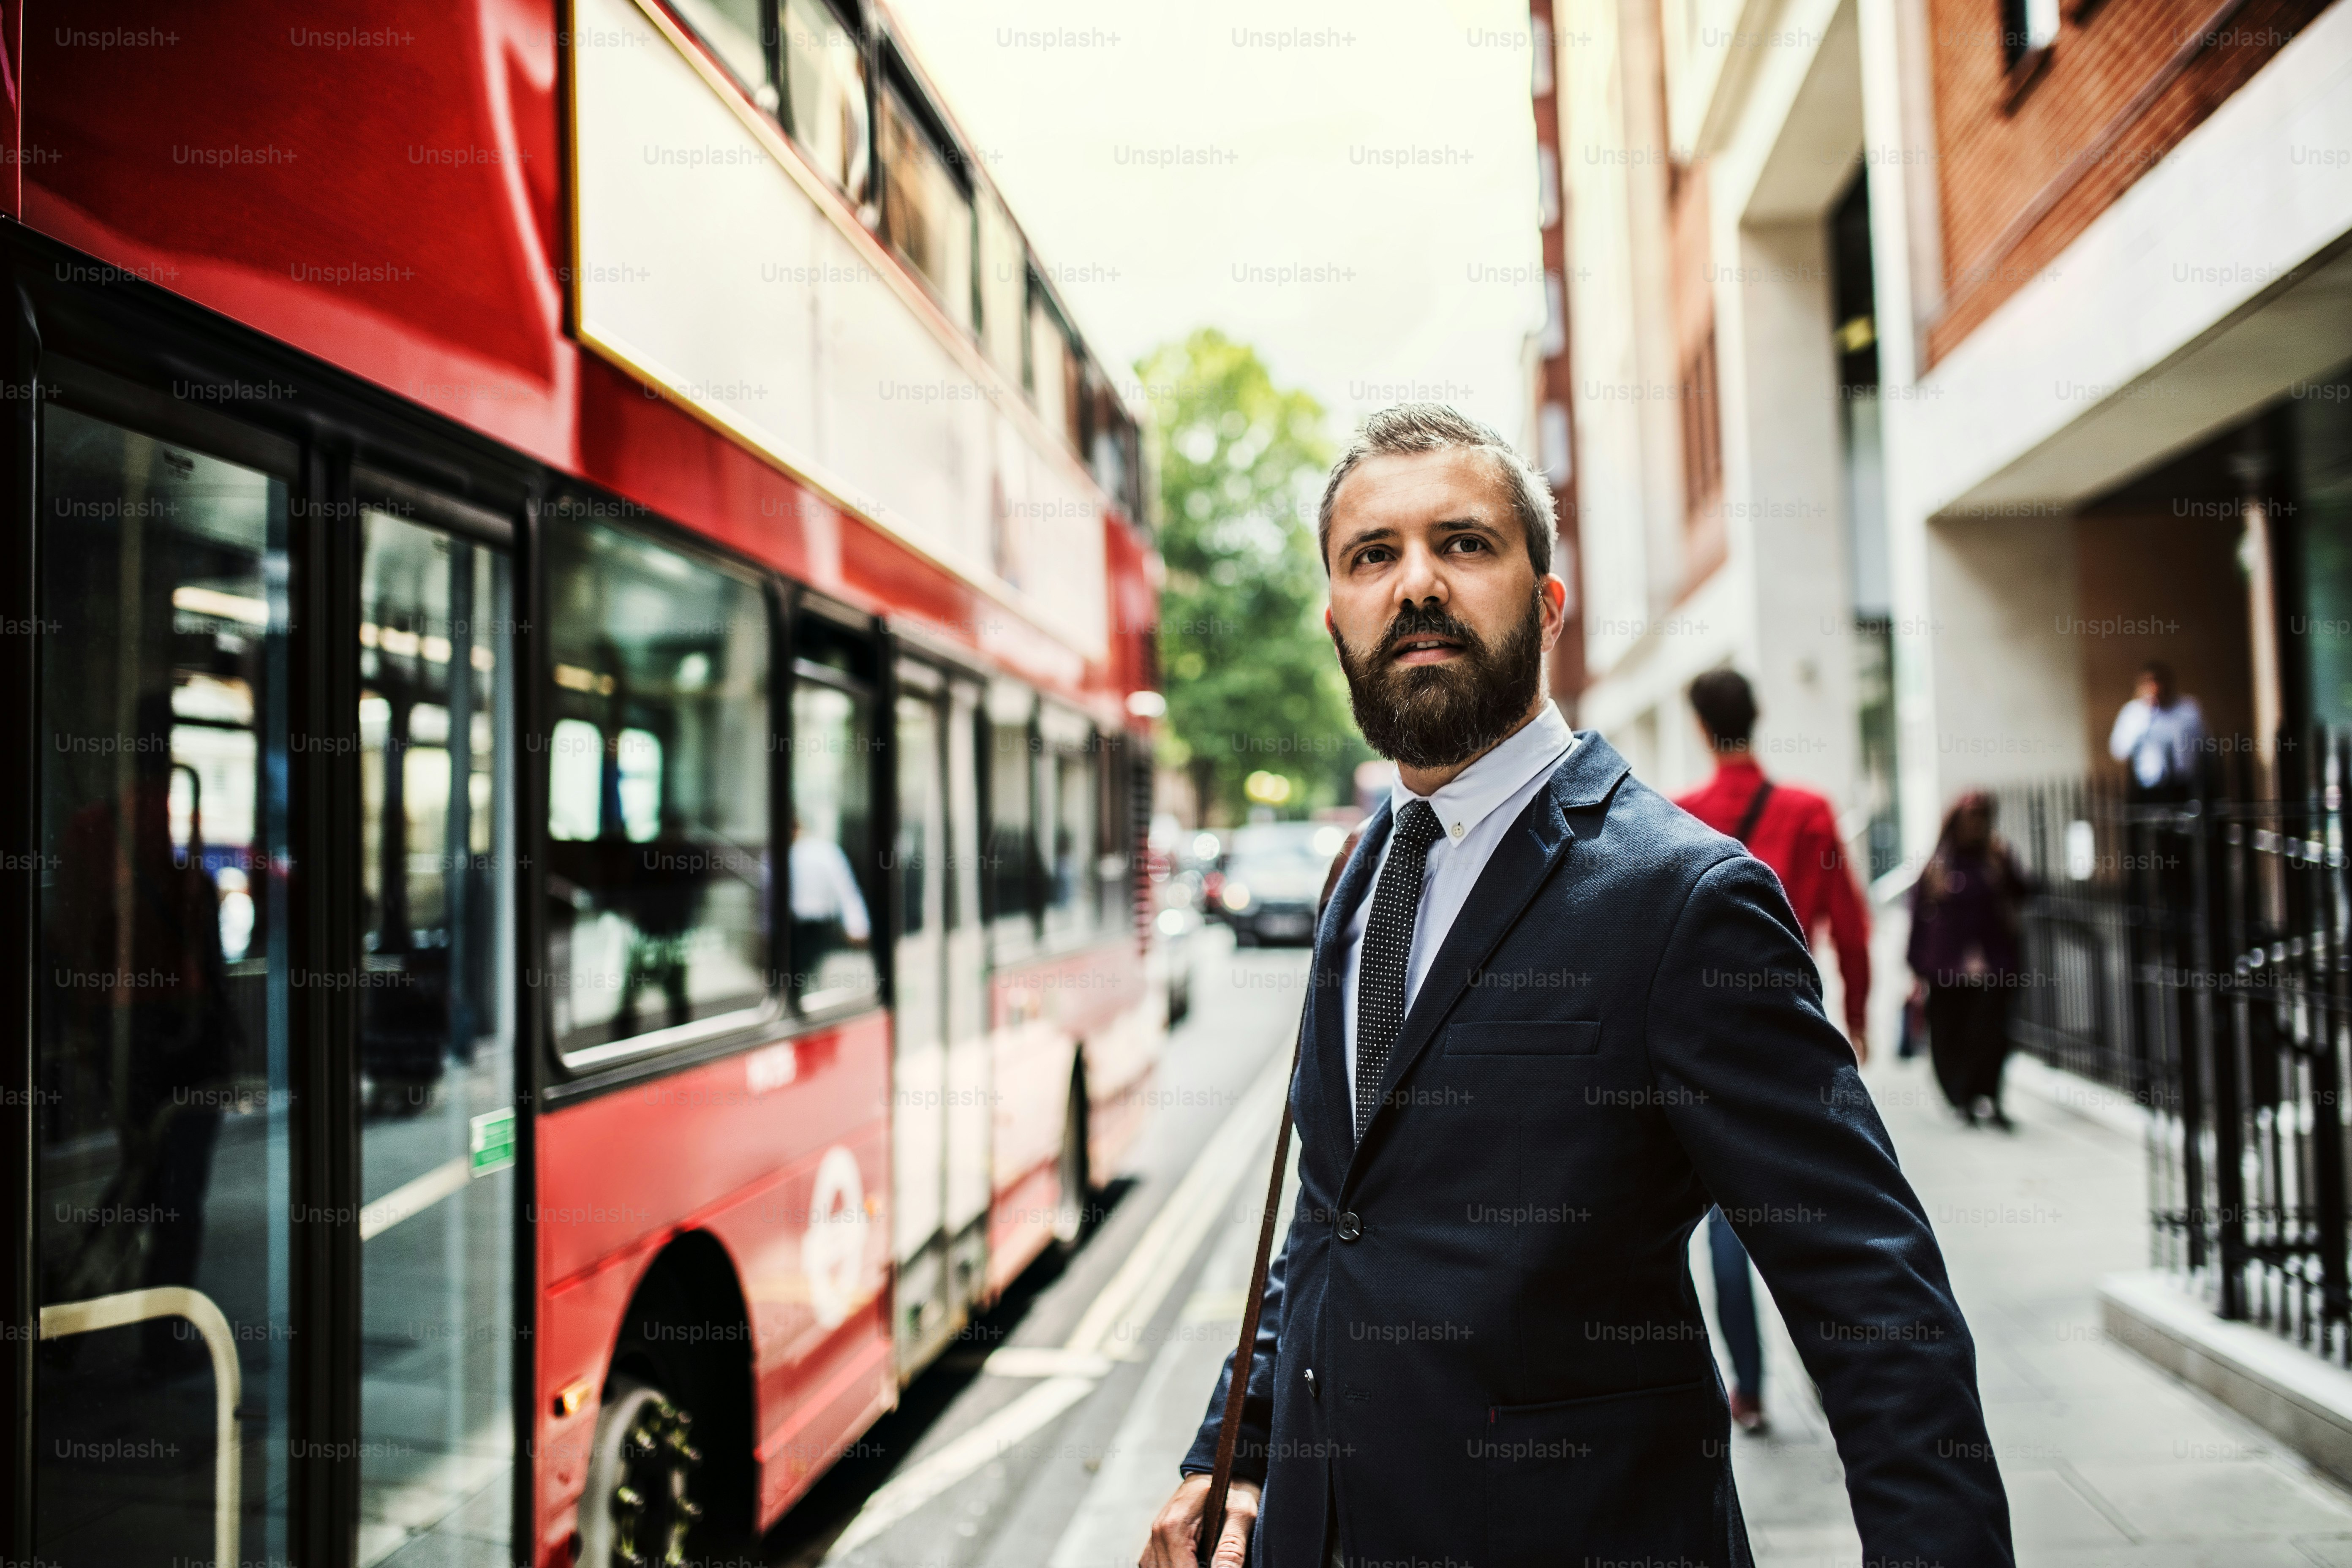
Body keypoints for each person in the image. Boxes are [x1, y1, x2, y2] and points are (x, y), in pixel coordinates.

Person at [1143, 405, 2011, 1568]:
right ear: (1336, 617)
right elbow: (1331, 1215)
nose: (1417, 586)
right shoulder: (1361, 877)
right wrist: (1236, 1453)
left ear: (1549, 605)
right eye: (1373, 557)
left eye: (1464, 544)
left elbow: (1871, 1300)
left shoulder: (1682, 897)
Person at [1672, 667, 1872, 1436]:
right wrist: (1853, 1016)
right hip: (1795, 1042)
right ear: (1755, 717)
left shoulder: (1681, 815)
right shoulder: (1809, 811)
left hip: (1711, 1048)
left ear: (1697, 725)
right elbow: (1849, 927)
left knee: (1727, 1223)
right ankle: (1839, 1377)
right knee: (1824, 1218)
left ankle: (1747, 1390)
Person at [1907, 792, 2032, 1130]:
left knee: (1991, 1037)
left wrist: (2005, 868)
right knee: (1951, 1035)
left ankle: (1989, 1098)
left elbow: (2025, 892)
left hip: (1995, 967)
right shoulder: (1939, 865)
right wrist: (1916, 967)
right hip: (1947, 971)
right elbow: (1919, 916)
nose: (1977, 824)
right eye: (1971, 816)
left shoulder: (1995, 859)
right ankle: (1962, 1098)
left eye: (1983, 816)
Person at [2107, 660, 2204, 800]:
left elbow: (2202, 745)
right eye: (2148, 683)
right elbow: (2119, 751)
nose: (2155, 687)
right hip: (2147, 787)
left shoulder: (2189, 709)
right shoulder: (2132, 713)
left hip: (2183, 785)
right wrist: (2147, 715)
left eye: (2158, 681)